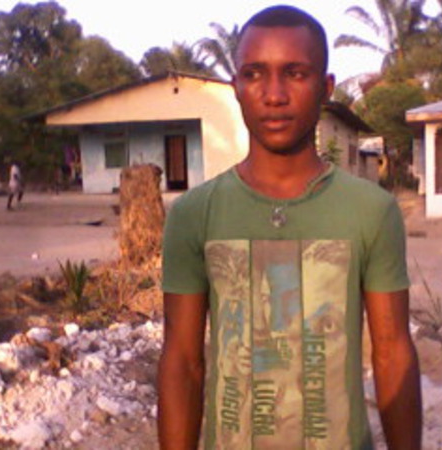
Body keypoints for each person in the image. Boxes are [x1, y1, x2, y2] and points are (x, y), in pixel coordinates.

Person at [158, 5, 422, 449]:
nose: (274, 94)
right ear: (237, 87)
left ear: (326, 88)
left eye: (295, 74)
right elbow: (183, 362)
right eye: (255, 74)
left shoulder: (371, 211)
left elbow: (393, 354)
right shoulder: (194, 214)